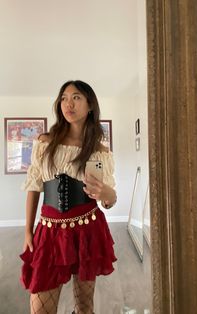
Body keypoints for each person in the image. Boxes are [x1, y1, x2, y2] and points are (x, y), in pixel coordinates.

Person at [20, 80, 117, 314]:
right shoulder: (45, 143)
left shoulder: (99, 151)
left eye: (76, 97)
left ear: (90, 105)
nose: (68, 103)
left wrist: (107, 194)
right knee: (40, 309)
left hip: (87, 230)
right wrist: (27, 230)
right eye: (64, 98)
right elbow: (34, 185)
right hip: (49, 230)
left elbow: (109, 199)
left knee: (85, 308)